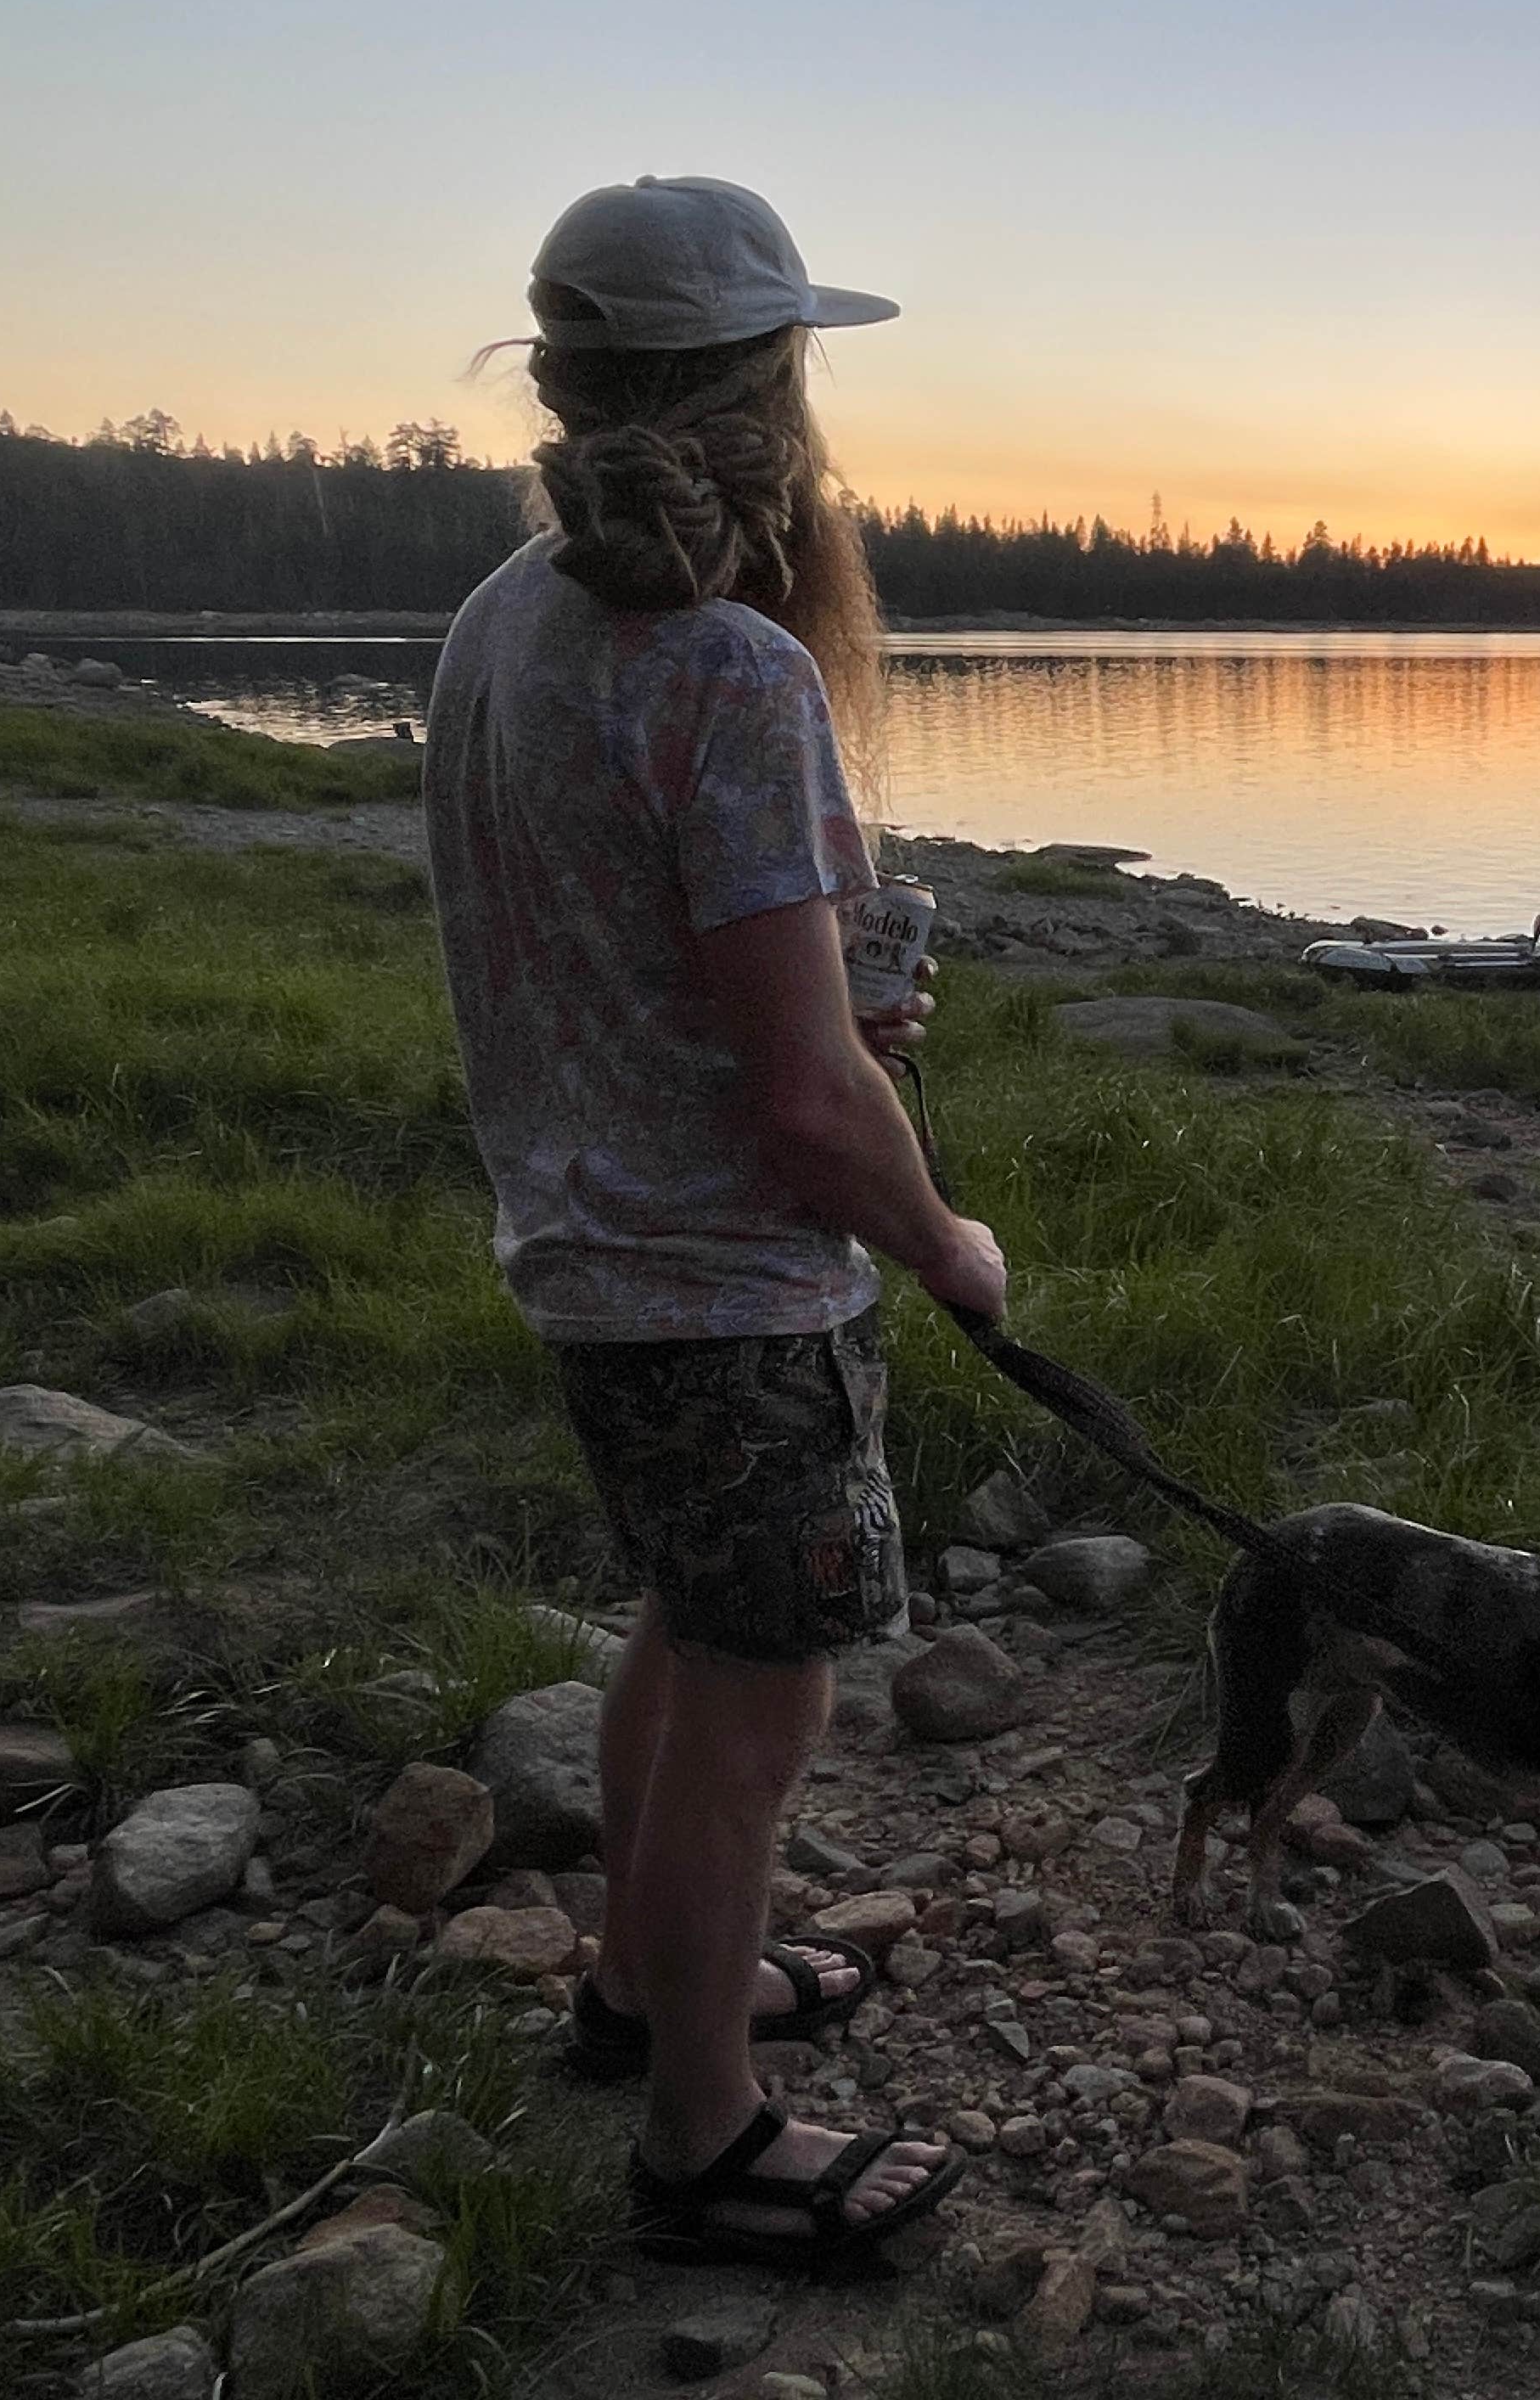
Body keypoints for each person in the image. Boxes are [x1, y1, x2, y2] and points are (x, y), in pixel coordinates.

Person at [423, 177, 1009, 2268]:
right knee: (764, 1707)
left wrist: (825, 998)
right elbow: (803, 1102)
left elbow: (627, 948)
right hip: (726, 1279)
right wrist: (943, 1240)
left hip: (584, 1251)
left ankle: (635, 1983)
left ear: (565, 376)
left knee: (683, 1626)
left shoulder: (505, 617)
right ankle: (703, 2136)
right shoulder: (731, 665)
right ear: (775, 398)